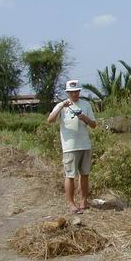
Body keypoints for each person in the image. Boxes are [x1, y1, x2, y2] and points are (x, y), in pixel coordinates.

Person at [47, 79, 97, 214]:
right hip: (70, 147)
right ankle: (71, 203)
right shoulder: (62, 105)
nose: (74, 94)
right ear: (67, 93)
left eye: (76, 91)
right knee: (70, 175)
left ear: (79, 91)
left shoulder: (86, 104)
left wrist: (84, 118)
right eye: (71, 92)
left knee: (85, 174)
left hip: (85, 145)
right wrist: (61, 106)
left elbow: (93, 124)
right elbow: (50, 120)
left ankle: (84, 201)